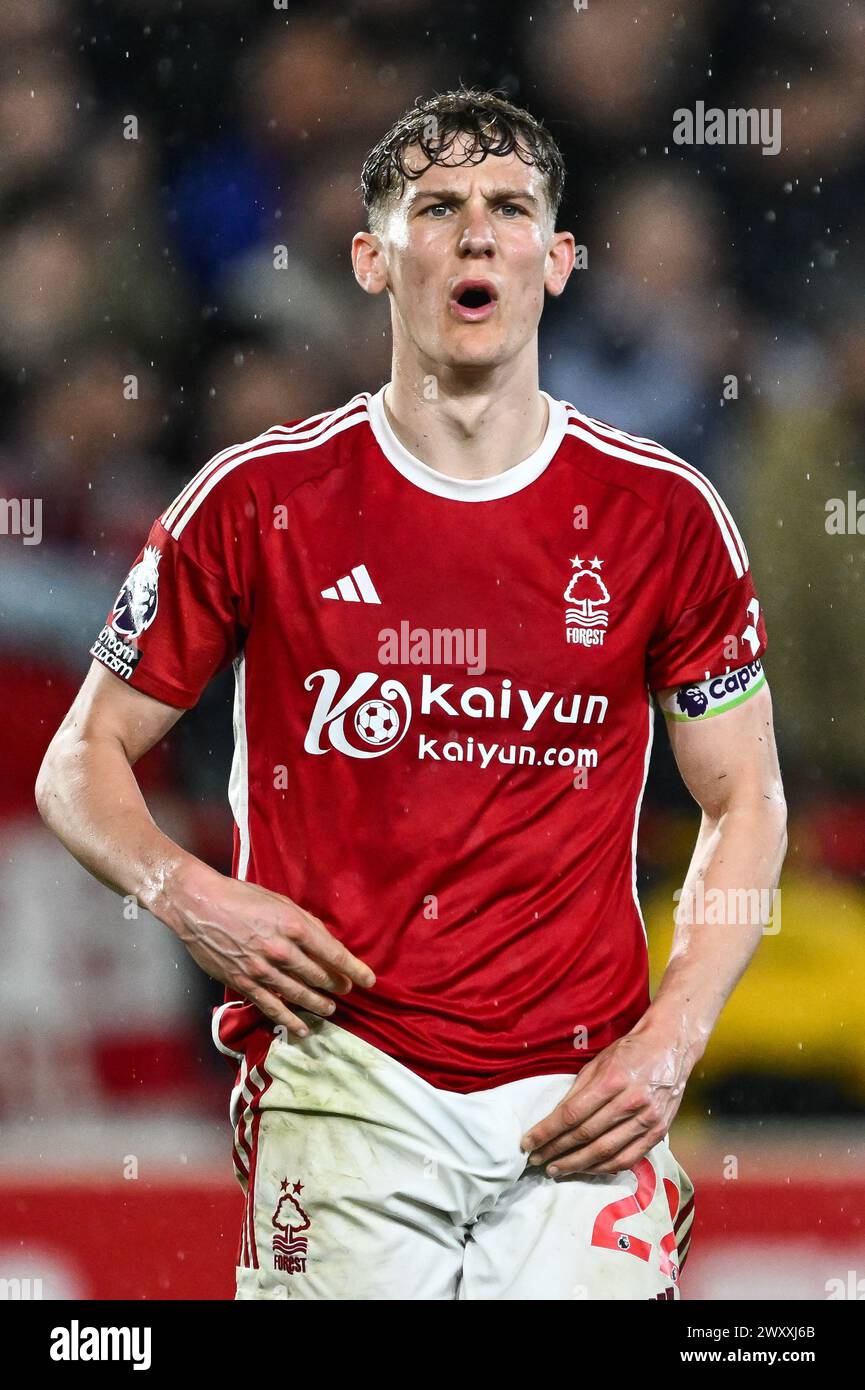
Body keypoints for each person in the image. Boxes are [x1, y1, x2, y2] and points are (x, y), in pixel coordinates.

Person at [35, 88, 787, 1300]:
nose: (477, 234)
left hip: (584, 1092)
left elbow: (745, 799)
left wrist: (670, 1041)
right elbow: (78, 762)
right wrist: (189, 895)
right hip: (345, 1071)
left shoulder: (664, 515)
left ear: (559, 256)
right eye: (436, 208)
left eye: (510, 209)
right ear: (371, 258)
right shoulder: (258, 498)